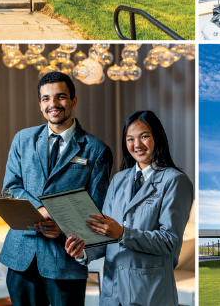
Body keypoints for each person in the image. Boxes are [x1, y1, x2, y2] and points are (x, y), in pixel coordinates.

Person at [0, 72, 113, 306]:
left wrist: (62, 227)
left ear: (73, 101)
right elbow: (10, 187)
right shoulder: (23, 139)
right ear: (40, 104)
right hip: (22, 255)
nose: (53, 104)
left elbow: (97, 208)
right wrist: (40, 209)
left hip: (65, 260)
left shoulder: (97, 150)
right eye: (46, 98)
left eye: (60, 97)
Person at [63, 111, 194, 306]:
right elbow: (104, 233)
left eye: (144, 136)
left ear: (157, 137)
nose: (137, 145)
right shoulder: (118, 180)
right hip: (112, 292)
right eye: (130, 139)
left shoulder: (175, 181)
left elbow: (170, 242)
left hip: (149, 293)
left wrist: (123, 234)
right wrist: (83, 251)